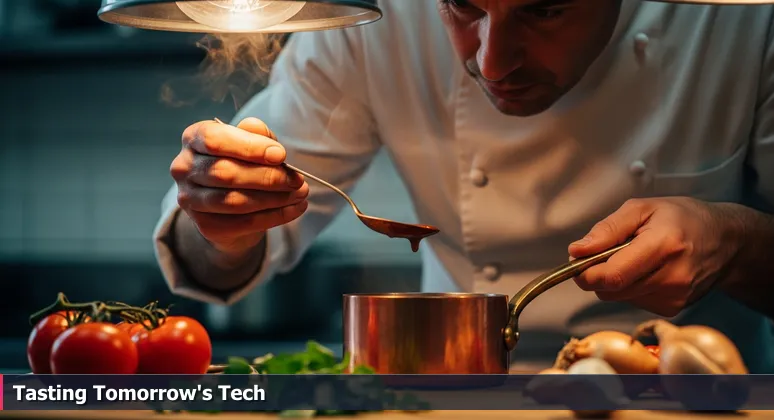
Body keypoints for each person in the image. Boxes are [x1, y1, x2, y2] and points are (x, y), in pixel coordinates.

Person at [154, 0, 774, 372]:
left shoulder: (739, 19)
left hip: (696, 396)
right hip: (462, 395)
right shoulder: (378, 17)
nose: (493, 62)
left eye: (546, 9)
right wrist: (221, 218)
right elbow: (212, 260)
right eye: (463, 6)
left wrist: (739, 245)